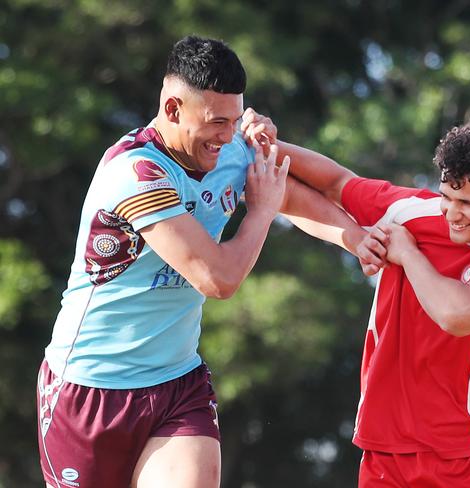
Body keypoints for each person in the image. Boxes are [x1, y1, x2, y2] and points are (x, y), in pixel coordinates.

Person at [37, 35, 364, 488]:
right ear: (172, 109)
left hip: (177, 384)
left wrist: (361, 242)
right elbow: (218, 277)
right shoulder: (135, 174)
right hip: (91, 391)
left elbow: (290, 187)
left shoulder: (225, 146)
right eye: (216, 123)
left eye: (235, 120)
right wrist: (262, 211)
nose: (229, 137)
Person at [280, 113, 470, 487]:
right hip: (387, 455)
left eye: (468, 204)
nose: (452, 214)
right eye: (447, 197)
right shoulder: (412, 211)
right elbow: (334, 182)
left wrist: (408, 255)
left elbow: (457, 314)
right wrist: (258, 147)